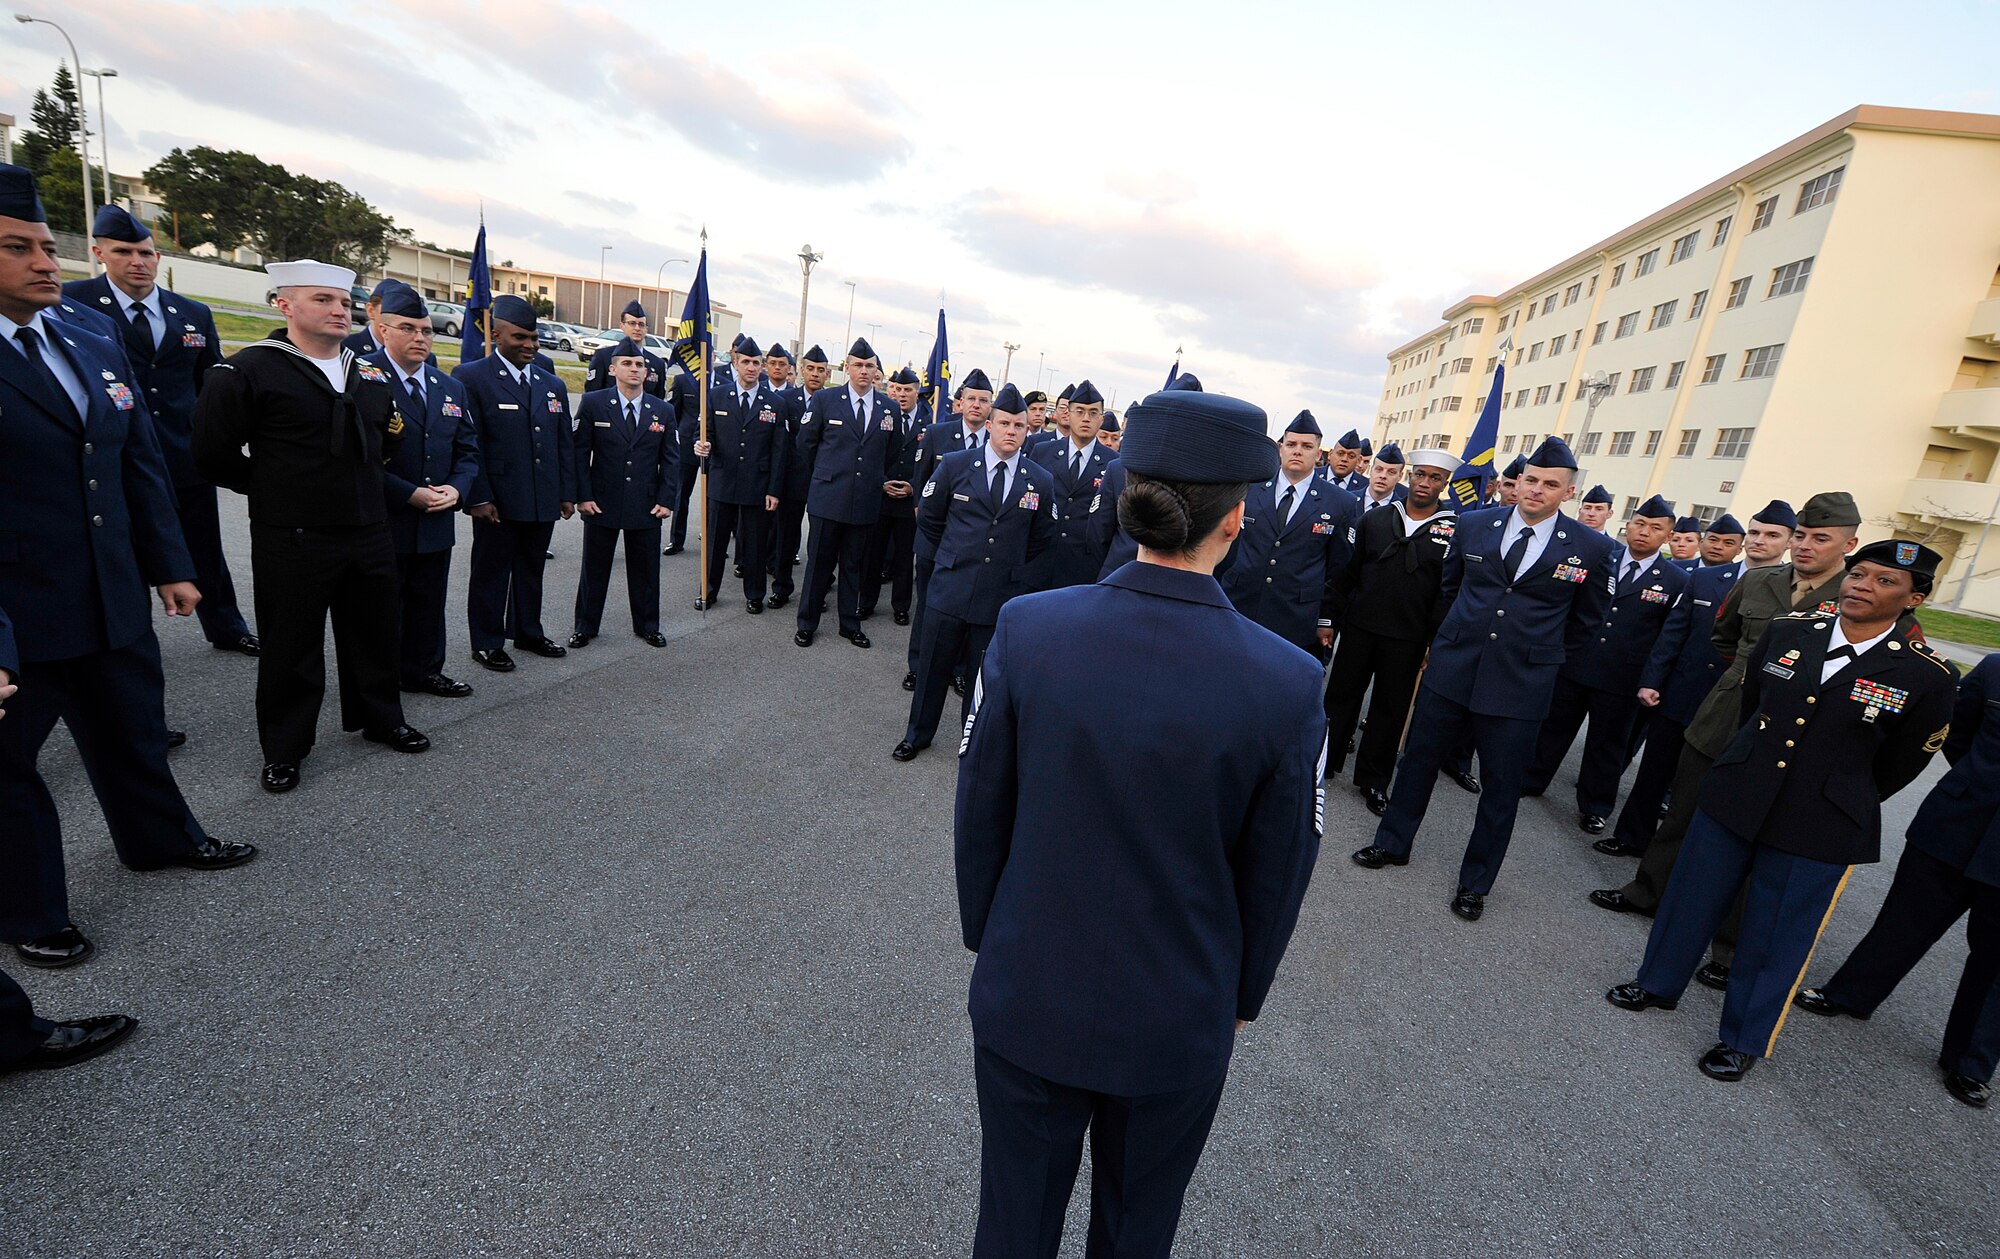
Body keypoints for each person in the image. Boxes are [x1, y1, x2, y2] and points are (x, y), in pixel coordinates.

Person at [954, 383, 1324, 1257]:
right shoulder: (1285, 679)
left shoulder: (1030, 628)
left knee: (1012, 1225)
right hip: (1178, 1009)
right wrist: (1240, 995)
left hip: (1030, 983)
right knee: (1135, 1231)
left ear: (1129, 504)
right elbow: (1278, 869)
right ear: (1236, 521)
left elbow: (981, 805)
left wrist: (993, 934)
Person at [1, 162, 257, 965]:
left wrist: (169, 562)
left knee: (130, 728)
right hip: (19, 604)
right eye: (19, 248)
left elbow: (136, 456)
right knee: (9, 772)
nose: (47, 262)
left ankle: (160, 839)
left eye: (48, 246)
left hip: (107, 585)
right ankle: (32, 911)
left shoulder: (83, 331)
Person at [1607, 540, 1956, 1082]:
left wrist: (1835, 793)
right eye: (1859, 574)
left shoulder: (1927, 676)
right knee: (1691, 896)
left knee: (1777, 933)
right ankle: (1656, 983)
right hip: (1739, 792)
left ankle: (1743, 1036)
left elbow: (1900, 764)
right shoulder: (1791, 631)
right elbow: (1753, 711)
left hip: (1821, 820)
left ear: (1916, 599)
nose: (1862, 585)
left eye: (1885, 581)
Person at [1588, 493, 1866, 976]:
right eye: (1801, 536)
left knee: (1753, 834)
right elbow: (1725, 637)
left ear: (1850, 544)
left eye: (1820, 538)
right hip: (1723, 713)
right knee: (1682, 812)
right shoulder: (1760, 581)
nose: (1805, 546)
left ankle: (1729, 947)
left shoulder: (1856, 593)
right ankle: (1646, 892)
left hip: (1789, 733)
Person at [1353, 437, 1615, 921]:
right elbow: (1451, 587)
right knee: (1417, 763)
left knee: (1500, 790)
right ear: (1518, 483)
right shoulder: (1473, 525)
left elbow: (1587, 623)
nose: (1536, 490)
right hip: (1454, 669)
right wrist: (1454, 639)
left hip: (1520, 685)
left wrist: (1537, 658)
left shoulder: (1593, 549)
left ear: (1569, 492)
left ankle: (1475, 884)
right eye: (1530, 480)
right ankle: (1391, 842)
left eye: (1549, 485)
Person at [194, 258, 430, 792]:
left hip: (368, 529)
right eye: (323, 300)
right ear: (284, 304)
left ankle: (380, 718)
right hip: (293, 534)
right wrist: (275, 488)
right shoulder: (248, 369)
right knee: (290, 645)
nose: (339, 310)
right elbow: (212, 452)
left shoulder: (365, 371)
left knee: (374, 633)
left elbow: (387, 441)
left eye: (344, 302)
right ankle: (285, 747)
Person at [1793, 651, 2000, 1109]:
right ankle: (1850, 994)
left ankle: (1969, 1061)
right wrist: (1979, 782)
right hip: (1957, 821)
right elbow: (1955, 732)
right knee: (1903, 921)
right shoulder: (1995, 667)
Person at [65, 204, 258, 657]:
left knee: (204, 548)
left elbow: (211, 384)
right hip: (112, 458)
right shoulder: (74, 305)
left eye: (146, 252)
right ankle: (126, 645)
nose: (138, 261)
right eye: (124, 252)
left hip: (182, 454)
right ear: (99, 253)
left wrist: (219, 443)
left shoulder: (190, 312)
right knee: (120, 555)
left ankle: (227, 627)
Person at [1593, 501, 1790, 858]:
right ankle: (1631, 836)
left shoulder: (1791, 593)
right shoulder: (1705, 577)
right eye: (1757, 532)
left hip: (1735, 703)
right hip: (1682, 690)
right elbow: (1673, 633)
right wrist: (1653, 680)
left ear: (1789, 542)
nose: (1761, 541)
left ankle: (1681, 852)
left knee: (1702, 783)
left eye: (1773, 535)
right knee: (1654, 772)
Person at [893, 384, 1055, 761]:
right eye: (1004, 423)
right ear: (990, 425)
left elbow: (1041, 539)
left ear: (1028, 430)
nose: (1011, 431)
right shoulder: (955, 465)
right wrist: (949, 560)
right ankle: (916, 735)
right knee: (933, 669)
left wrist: (1012, 571)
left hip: (997, 595)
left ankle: (973, 742)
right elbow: (930, 521)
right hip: (950, 588)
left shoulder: (1039, 481)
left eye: (1019, 425)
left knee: (982, 679)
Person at [1521, 494, 1689, 833]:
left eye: (1655, 528)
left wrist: (1652, 679)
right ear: (1628, 525)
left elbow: (1668, 636)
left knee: (1608, 744)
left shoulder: (1676, 579)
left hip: (1622, 676)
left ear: (1668, 537)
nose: (1644, 532)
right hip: (1576, 662)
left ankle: (1595, 805)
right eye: (1640, 524)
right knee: (1552, 729)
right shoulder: (1601, 558)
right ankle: (1531, 780)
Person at [1324, 446, 1461, 814]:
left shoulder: (1455, 530)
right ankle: (1325, 763)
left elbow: (1448, 591)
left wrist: (1435, 642)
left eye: (1435, 478)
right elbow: (1348, 574)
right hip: (1360, 627)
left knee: (1390, 709)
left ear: (1444, 484)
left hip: (1409, 637)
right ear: (1409, 476)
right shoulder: (1377, 519)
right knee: (1340, 697)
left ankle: (1373, 780)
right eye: (1420, 474)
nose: (1425, 483)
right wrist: (1331, 620)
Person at [454, 294, 576, 672]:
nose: (530, 345)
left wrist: (567, 493)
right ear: (496, 334)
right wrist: (479, 496)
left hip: (541, 495)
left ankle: (528, 631)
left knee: (531, 568)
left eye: (534, 337)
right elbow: (469, 442)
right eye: (520, 337)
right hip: (498, 499)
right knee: (492, 571)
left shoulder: (551, 381)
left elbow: (562, 444)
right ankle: (487, 641)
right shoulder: (472, 377)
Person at [368, 283, 480, 699]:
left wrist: (458, 488)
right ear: (382, 330)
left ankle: (425, 670)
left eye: (427, 330)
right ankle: (382, 683)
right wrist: (407, 493)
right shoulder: (363, 378)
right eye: (408, 329)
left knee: (429, 602)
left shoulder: (449, 387)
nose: (420, 338)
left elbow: (468, 450)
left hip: (436, 517)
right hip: (386, 516)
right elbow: (357, 460)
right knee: (383, 607)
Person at [1218, 410, 1359, 657]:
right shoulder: (1249, 488)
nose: (1297, 451)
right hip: (1239, 603)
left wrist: (1326, 618)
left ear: (1318, 454)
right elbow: (1226, 545)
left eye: (1306, 446)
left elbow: (1339, 567)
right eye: (1291, 444)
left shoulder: (1340, 502)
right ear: (1280, 448)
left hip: (1295, 615)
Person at [565, 338, 678, 645]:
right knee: (594, 569)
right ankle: (585, 626)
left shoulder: (663, 410)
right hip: (601, 502)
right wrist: (582, 496)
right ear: (613, 368)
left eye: (640, 365)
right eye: (627, 363)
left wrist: (667, 500)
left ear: (647, 373)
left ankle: (647, 626)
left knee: (646, 572)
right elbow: (579, 453)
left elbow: (671, 459)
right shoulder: (594, 403)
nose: (634, 369)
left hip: (646, 503)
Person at [793, 338, 902, 649]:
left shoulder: (888, 408)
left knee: (855, 566)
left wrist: (870, 478)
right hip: (828, 497)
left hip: (865, 500)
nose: (864, 371)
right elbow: (806, 445)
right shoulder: (826, 400)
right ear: (847, 368)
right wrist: (828, 473)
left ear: (877, 371)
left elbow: (891, 452)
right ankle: (807, 623)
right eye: (858, 365)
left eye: (870, 366)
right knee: (819, 565)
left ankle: (849, 624)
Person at [905, 370, 995, 688]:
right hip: (934, 540)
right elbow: (921, 486)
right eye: (971, 398)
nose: (976, 405)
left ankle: (957, 670)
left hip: (970, 548)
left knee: (964, 611)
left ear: (991, 408)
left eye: (984, 400)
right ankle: (919, 665)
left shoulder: (996, 443)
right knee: (929, 605)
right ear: (960, 402)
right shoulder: (936, 434)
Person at [694, 337, 783, 615]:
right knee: (715, 542)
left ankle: (755, 594)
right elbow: (703, 433)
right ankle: (708, 591)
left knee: (754, 544)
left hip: (757, 484)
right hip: (722, 480)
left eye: (756, 363)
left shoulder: (775, 403)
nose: (751, 368)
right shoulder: (716, 395)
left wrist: (774, 489)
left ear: (763, 367)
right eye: (745, 362)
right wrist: (700, 445)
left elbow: (779, 451)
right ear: (735, 363)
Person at [1025, 378, 1118, 590]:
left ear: (1101, 419)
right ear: (1067, 413)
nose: (1086, 418)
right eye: (1079, 411)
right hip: (1038, 563)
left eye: (1093, 413)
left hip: (1083, 570)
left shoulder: (1113, 463)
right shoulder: (1042, 452)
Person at [861, 366, 926, 623]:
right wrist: (883, 482)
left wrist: (913, 486)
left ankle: (901, 606)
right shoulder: (881, 415)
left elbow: (930, 466)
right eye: (897, 389)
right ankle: (866, 602)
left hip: (909, 502)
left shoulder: (928, 423)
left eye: (907, 390)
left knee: (903, 558)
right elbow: (871, 456)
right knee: (873, 555)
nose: (901, 394)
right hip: (881, 497)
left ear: (917, 394)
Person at [765, 344, 829, 597]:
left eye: (820, 370)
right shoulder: (786, 401)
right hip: (791, 480)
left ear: (827, 374)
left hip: (822, 481)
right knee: (786, 538)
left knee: (820, 543)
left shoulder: (834, 402)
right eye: (810, 368)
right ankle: (781, 587)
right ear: (801, 370)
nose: (815, 374)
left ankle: (817, 593)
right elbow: (780, 445)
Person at [584, 299, 668, 398]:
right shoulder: (604, 357)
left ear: (646, 329)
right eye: (632, 323)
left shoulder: (657, 364)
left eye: (641, 324)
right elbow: (592, 395)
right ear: (622, 325)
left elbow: (659, 401)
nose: (637, 328)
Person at [1356, 443, 1408, 511]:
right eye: (1379, 469)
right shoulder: (1348, 500)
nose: (1383, 476)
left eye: (1391, 472)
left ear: (1400, 477)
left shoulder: (1403, 511)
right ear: (1371, 470)